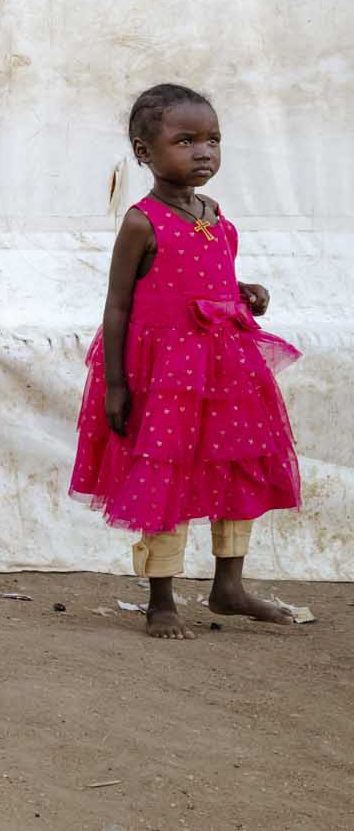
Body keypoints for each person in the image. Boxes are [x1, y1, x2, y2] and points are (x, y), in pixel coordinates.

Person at [70, 83, 305, 639]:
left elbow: (208, 280)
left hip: (225, 372)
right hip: (167, 377)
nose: (204, 152)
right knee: (165, 477)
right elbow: (118, 304)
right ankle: (162, 600)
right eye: (186, 141)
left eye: (213, 140)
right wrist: (115, 386)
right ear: (143, 152)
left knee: (237, 467)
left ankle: (229, 587)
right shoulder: (142, 222)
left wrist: (245, 293)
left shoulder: (214, 215)